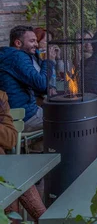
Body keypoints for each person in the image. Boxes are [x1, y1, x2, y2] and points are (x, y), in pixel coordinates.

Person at [0, 26, 58, 132]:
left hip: (18, 113)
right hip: (23, 116)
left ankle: (36, 147)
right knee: (65, 116)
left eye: (36, 41)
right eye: (32, 41)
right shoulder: (17, 57)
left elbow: (38, 86)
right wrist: (48, 61)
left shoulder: (11, 56)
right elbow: (41, 84)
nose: (36, 44)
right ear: (18, 43)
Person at [0, 91, 47, 222]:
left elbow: (11, 139)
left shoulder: (0, 97)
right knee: (13, 177)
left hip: (3, 170)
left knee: (13, 178)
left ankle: (44, 219)